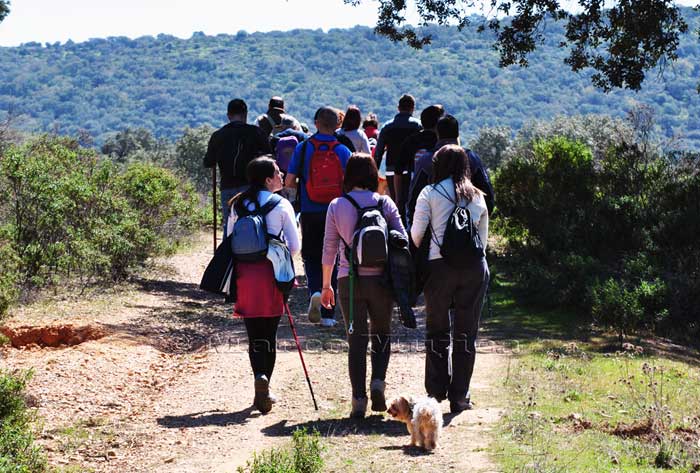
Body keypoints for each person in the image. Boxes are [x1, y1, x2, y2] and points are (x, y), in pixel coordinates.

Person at [320, 153, 406, 418]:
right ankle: (378, 381)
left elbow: (329, 248)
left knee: (355, 340)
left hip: (350, 281)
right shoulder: (385, 203)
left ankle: (359, 399)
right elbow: (402, 238)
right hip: (382, 281)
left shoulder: (337, 205)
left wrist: (326, 285)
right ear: (372, 174)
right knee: (382, 334)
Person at [410, 145, 490, 414]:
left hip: (439, 268)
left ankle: (435, 391)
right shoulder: (478, 196)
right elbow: (483, 240)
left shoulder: (429, 193)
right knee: (466, 334)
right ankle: (460, 396)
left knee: (437, 330)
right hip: (474, 268)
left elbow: (417, 235)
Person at [226, 156, 300, 414]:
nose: (281, 176)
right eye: (278, 172)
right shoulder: (281, 205)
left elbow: (229, 240)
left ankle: (259, 377)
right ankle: (266, 383)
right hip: (273, 275)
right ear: (268, 179)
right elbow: (296, 246)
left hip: (244, 275)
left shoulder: (237, 205)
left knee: (253, 334)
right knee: (269, 334)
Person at [285, 107, 352, 327]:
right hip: (336, 211)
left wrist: (293, 201)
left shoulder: (303, 148)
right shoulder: (343, 151)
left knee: (312, 256)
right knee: (333, 256)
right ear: (337, 125)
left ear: (315, 123)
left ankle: (315, 291)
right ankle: (329, 314)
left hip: (310, 211)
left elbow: (289, 180)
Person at [406, 114, 495, 226]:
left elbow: (414, 198)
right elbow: (488, 195)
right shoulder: (472, 158)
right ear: (458, 133)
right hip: (468, 231)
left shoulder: (425, 160)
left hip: (433, 231)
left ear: (437, 133)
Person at [204, 98, 271, 237]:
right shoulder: (256, 133)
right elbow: (270, 157)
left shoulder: (218, 135)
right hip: (252, 187)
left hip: (227, 186)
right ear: (245, 114)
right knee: (254, 221)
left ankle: (228, 257)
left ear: (228, 115)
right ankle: (253, 254)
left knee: (229, 225)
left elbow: (208, 162)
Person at [374, 94, 423, 223]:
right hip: (412, 169)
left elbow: (378, 152)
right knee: (410, 201)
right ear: (413, 108)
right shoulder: (418, 126)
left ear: (398, 108)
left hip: (391, 168)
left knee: (395, 202)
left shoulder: (387, 127)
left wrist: (374, 172)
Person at [395, 104, 444, 220]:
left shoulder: (411, 140)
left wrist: (398, 198)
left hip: (414, 193)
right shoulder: (442, 142)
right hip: (441, 194)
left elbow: (398, 171)